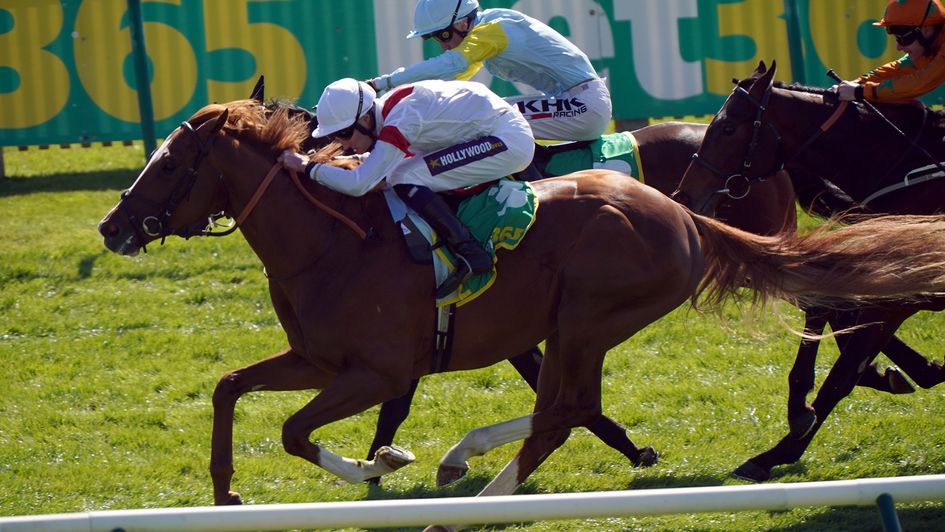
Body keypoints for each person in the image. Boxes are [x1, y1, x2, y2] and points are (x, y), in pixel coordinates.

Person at [279, 77, 534, 298]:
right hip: (487, 132)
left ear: (366, 118)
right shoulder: (389, 113)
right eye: (335, 136)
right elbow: (379, 164)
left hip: (506, 140)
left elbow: (360, 184)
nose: (342, 144)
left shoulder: (400, 120)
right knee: (402, 173)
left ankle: (470, 252)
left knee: (404, 176)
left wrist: (307, 167)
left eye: (344, 134)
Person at [366, 0, 610, 142]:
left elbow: (450, 65)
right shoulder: (485, 34)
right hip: (574, 101)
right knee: (481, 114)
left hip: (583, 105)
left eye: (443, 35)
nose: (442, 44)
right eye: (435, 39)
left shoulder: (491, 30)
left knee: (487, 117)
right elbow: (447, 78)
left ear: (462, 23)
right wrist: (390, 101)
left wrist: (382, 83)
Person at [832, 0, 945, 102]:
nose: (898, 47)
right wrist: (856, 83)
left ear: (927, 30)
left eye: (903, 38)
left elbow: (921, 81)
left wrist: (860, 91)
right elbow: (897, 69)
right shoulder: (931, 43)